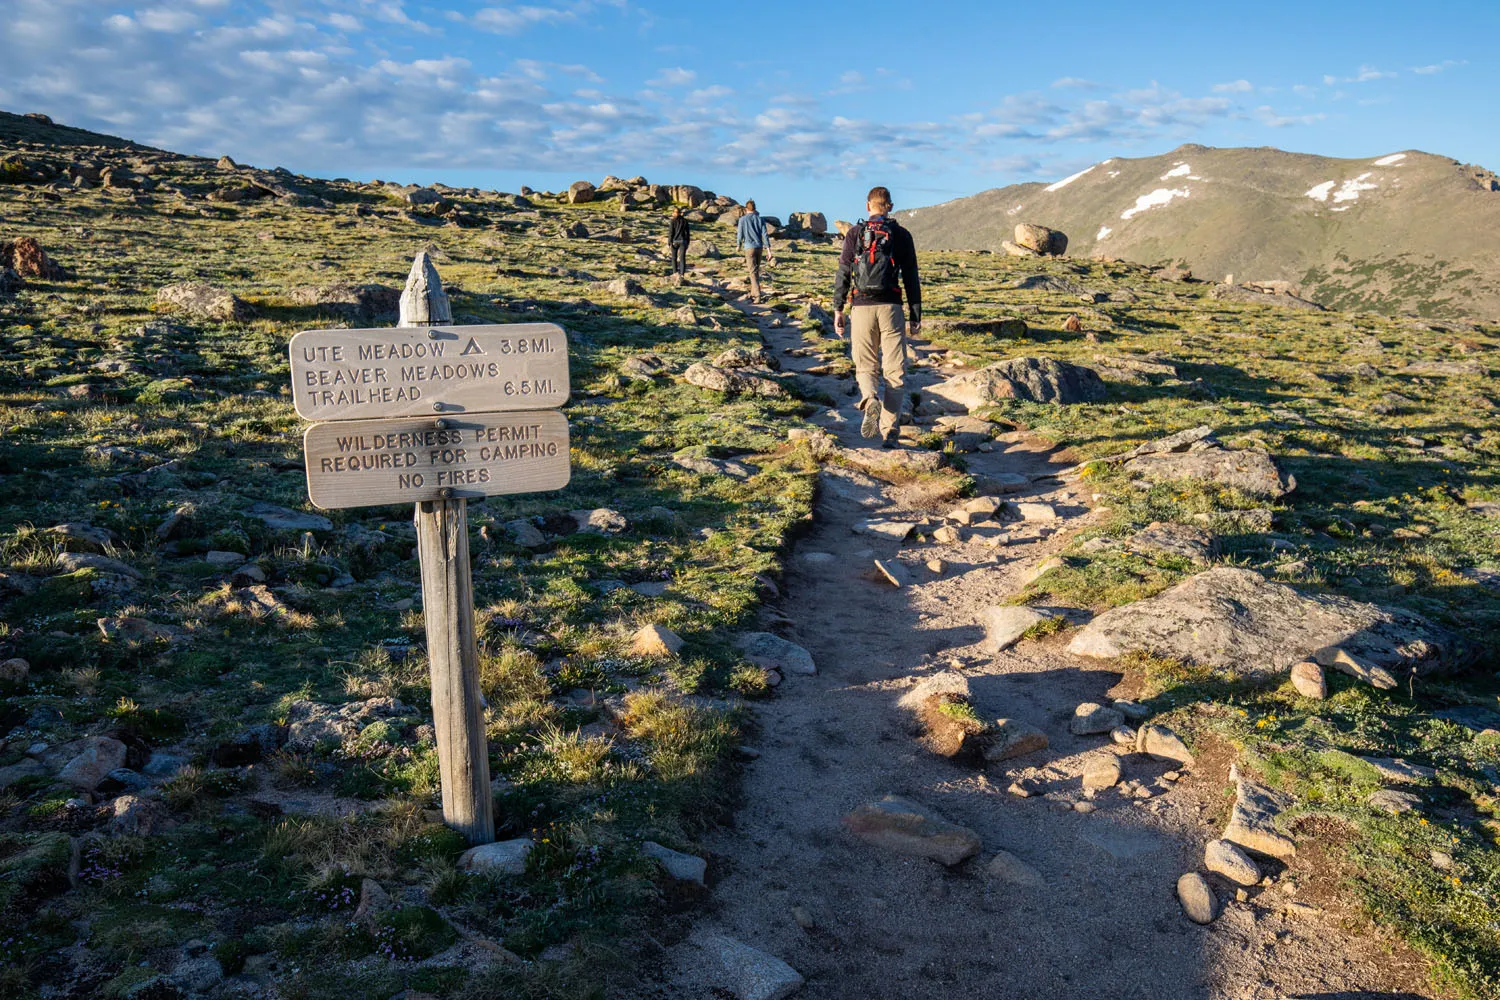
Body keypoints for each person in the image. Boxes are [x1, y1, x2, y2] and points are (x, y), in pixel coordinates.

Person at [833, 186, 922, 447]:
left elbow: (843, 274)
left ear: (867, 206)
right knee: (895, 372)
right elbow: (911, 277)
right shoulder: (901, 235)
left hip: (860, 308)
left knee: (865, 365)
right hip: (891, 307)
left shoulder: (854, 234)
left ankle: (870, 398)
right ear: (890, 206)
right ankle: (889, 431)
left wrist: (838, 309)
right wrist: (915, 314)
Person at [736, 200, 772, 303]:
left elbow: (740, 233)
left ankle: (757, 295)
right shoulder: (760, 219)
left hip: (749, 247)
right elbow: (765, 235)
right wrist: (769, 250)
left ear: (746, 209)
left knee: (752, 271)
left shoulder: (742, 219)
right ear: (755, 208)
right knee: (755, 270)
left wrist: (738, 245)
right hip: (759, 247)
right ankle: (753, 293)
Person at [668, 206, 690, 278]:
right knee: (682, 258)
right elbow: (687, 233)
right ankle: (682, 274)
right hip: (683, 241)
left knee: (674, 258)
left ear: (674, 213)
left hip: (675, 241)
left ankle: (675, 273)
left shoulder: (672, 221)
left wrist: (669, 242)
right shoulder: (685, 221)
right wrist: (687, 242)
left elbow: (671, 232)